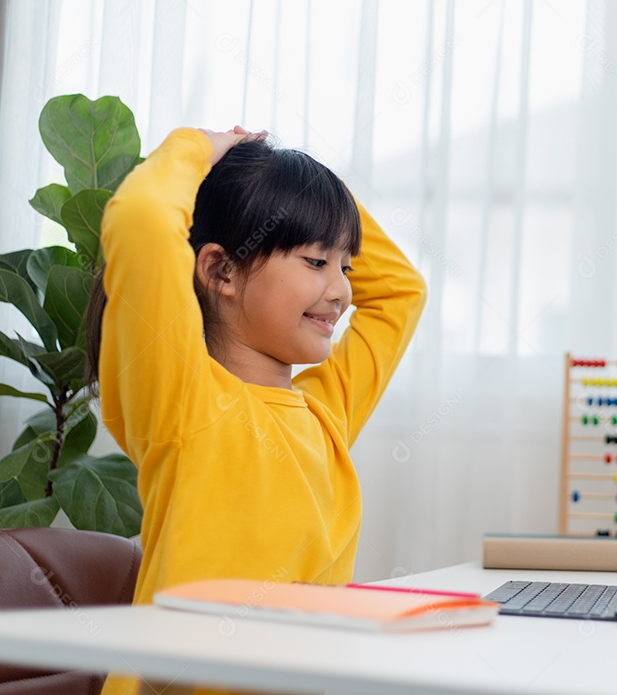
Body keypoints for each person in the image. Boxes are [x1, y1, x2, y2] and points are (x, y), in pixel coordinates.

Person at [90, 126, 426, 695]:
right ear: (220, 270)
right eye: (317, 261)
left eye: (346, 266)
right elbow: (143, 219)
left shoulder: (326, 416)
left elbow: (400, 291)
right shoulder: (182, 401)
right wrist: (201, 146)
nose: (343, 291)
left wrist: (314, 191)